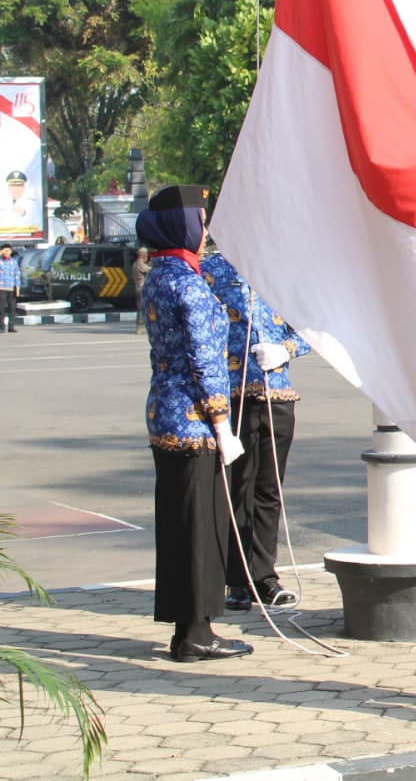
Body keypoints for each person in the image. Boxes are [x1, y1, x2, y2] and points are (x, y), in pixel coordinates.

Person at [137, 185, 250, 663]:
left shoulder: (158, 275)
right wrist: (223, 425)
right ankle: (197, 633)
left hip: (164, 413)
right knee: (203, 526)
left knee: (178, 525)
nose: (204, 231)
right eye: (199, 221)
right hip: (196, 421)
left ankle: (187, 628)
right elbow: (207, 362)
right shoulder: (189, 283)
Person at [201, 253, 310, 612]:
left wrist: (286, 350)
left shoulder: (284, 268)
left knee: (269, 490)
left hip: (277, 393)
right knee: (238, 489)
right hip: (234, 396)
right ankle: (237, 579)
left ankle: (264, 577)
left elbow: (313, 327)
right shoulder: (213, 270)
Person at [131, 246, 152, 335]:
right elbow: (151, 270)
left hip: (137, 287)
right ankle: (141, 328)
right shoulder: (140, 264)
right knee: (145, 308)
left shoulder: (135, 264)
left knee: (140, 308)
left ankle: (139, 327)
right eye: (147, 255)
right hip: (142, 288)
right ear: (143, 255)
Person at [0, 242, 19, 333]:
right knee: (1, 308)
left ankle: (11, 327)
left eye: (9, 251)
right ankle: (2, 327)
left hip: (11, 288)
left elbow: (17, 275)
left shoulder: (14, 262)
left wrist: (17, 288)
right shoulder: (0, 261)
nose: (7, 252)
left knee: (12, 308)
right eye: (5, 251)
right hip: (1, 288)